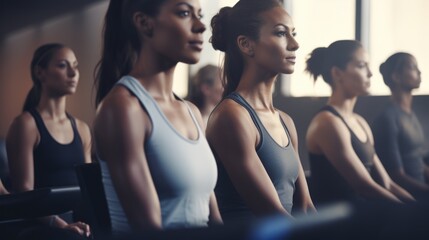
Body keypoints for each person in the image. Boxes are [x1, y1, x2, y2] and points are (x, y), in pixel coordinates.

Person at [93, 0, 221, 234]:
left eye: (199, 14)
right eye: (184, 13)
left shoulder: (191, 112)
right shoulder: (123, 108)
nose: (201, 26)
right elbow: (149, 229)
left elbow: (214, 220)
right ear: (144, 23)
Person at [206, 0, 315, 224]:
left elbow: (305, 207)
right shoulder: (232, 116)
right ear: (246, 45)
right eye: (281, 33)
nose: (294, 44)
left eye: (293, 33)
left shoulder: (285, 121)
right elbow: (270, 213)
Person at [305, 40, 415, 206]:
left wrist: (416, 207)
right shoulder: (327, 122)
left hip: (364, 214)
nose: (370, 73)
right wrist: (411, 214)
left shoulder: (360, 122)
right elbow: (364, 187)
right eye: (362, 65)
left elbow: (387, 184)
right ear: (337, 73)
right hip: (339, 224)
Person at [6, 43, 92, 237]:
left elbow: (89, 191)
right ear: (40, 72)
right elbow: (24, 193)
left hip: (80, 222)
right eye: (63, 65)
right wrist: (61, 225)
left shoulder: (82, 129)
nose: (73, 73)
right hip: (45, 225)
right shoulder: (25, 125)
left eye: (75, 66)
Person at [372, 52, 429, 199]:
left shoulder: (409, 113)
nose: (419, 72)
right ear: (396, 77)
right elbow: (396, 176)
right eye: (412, 67)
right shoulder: (388, 119)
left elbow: (416, 161)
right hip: (408, 200)